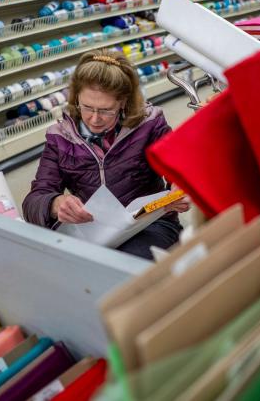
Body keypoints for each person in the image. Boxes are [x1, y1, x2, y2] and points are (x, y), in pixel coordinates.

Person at [22, 50, 189, 259]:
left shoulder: (150, 125)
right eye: (87, 108)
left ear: (123, 102)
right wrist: (55, 204)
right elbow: (33, 200)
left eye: (105, 110)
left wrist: (180, 188)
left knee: (124, 265)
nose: (94, 119)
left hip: (150, 226)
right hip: (91, 231)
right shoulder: (60, 137)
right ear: (76, 99)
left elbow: (180, 170)